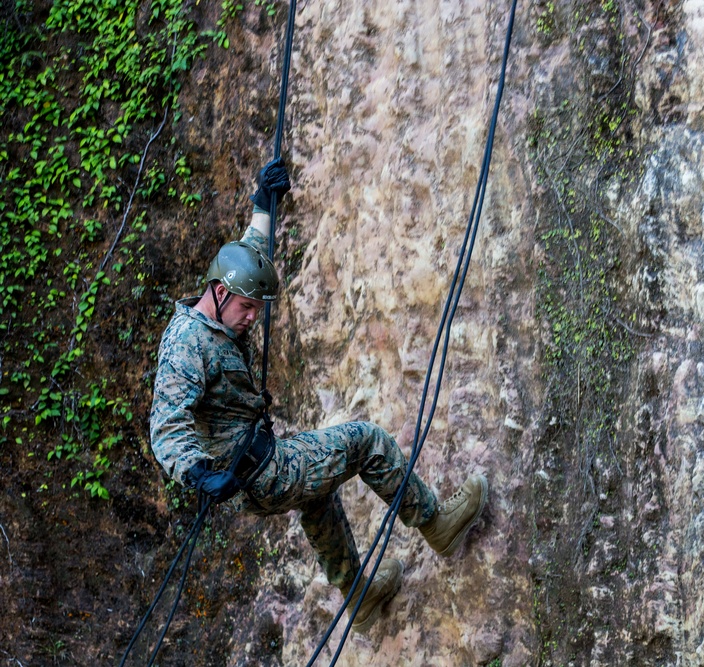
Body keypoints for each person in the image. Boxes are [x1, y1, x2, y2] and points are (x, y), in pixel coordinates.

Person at [149, 158, 488, 632]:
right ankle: (438, 524)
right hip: (259, 474)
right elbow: (167, 426)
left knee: (318, 493)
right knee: (365, 442)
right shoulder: (188, 345)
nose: (252, 318)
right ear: (219, 293)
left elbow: (249, 249)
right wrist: (199, 474)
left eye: (257, 308)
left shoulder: (223, 304)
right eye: (247, 307)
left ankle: (360, 599)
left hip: (259, 466)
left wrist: (263, 201)